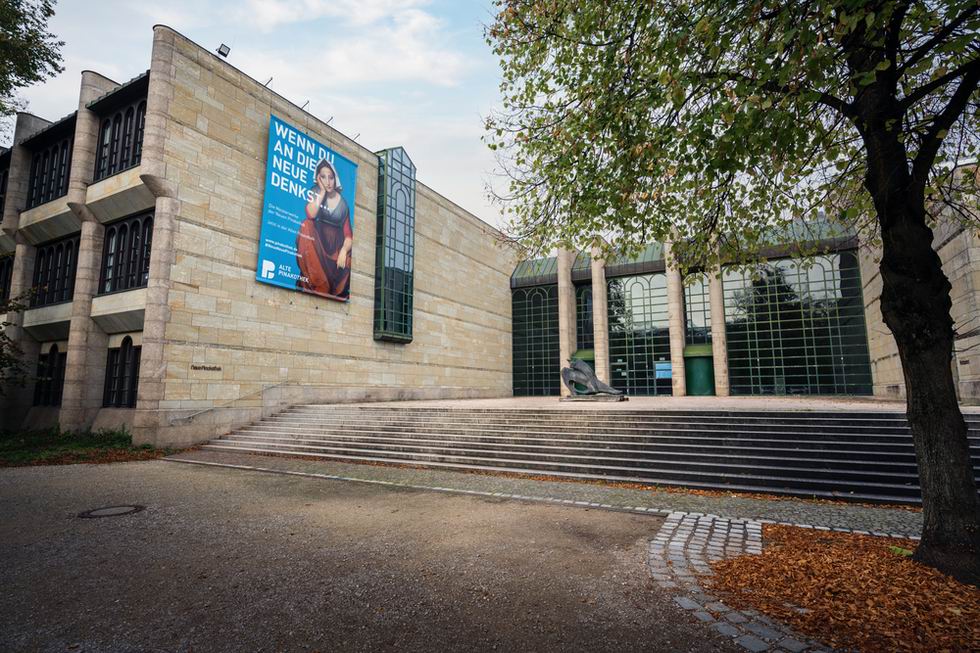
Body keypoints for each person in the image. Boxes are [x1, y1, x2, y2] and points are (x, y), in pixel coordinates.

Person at [296, 158, 352, 299]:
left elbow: (349, 235)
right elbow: (310, 214)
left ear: (335, 179)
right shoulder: (315, 192)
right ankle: (318, 283)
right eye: (323, 177)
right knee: (306, 225)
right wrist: (321, 191)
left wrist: (344, 251)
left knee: (349, 260)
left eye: (331, 177)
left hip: (336, 246)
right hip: (318, 242)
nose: (328, 181)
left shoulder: (344, 204)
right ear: (318, 178)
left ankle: (337, 290)